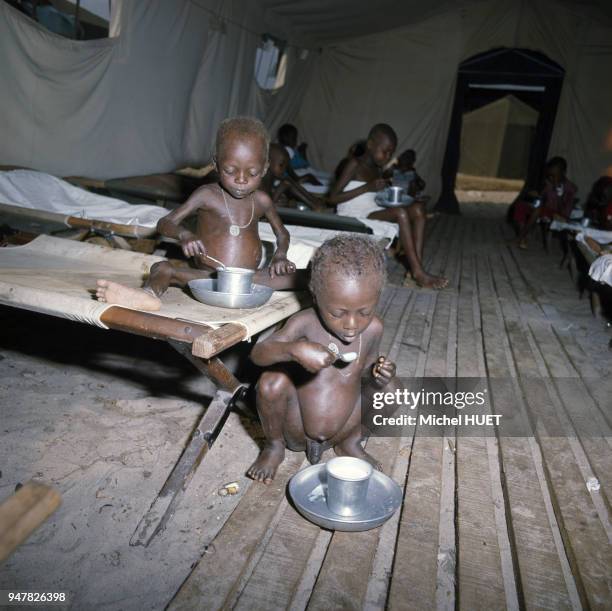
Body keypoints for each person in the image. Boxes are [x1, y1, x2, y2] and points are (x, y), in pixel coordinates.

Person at [96, 117, 300, 311]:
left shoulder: (262, 201)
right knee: (162, 268)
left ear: (264, 169)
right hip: (207, 277)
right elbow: (165, 222)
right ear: (216, 164)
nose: (241, 179)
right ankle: (147, 295)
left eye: (252, 173)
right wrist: (185, 235)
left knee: (308, 277)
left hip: (250, 279)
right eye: (230, 170)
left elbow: (282, 234)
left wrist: (280, 256)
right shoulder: (207, 195)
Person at [247, 235, 400, 484]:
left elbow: (365, 372)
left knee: (393, 389)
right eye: (337, 313)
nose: (352, 325)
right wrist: (293, 350)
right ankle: (273, 447)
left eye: (364, 312)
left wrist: (380, 374)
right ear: (315, 295)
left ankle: (352, 442)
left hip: (343, 428)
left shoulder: (373, 329)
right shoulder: (304, 322)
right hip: (295, 429)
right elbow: (258, 354)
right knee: (271, 382)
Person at [328, 123, 447, 289]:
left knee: (418, 208)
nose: (387, 156)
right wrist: (367, 187)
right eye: (385, 151)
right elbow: (332, 198)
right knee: (400, 214)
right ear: (370, 145)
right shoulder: (354, 164)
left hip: (370, 211)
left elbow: (372, 197)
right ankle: (419, 273)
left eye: (391, 152)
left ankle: (415, 269)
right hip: (352, 213)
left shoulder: (377, 169)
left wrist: (382, 191)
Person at [516, 156, 577, 249]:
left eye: (554, 175)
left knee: (538, 210)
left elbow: (563, 209)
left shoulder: (570, 188)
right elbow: (544, 198)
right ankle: (523, 237)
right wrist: (537, 195)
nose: (551, 178)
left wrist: (557, 192)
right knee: (521, 206)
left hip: (560, 215)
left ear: (563, 173)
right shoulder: (549, 183)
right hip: (546, 210)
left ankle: (520, 237)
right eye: (550, 175)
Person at [260, 143, 326, 211]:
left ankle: (314, 201)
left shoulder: (272, 178)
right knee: (286, 183)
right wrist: (276, 198)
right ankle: (314, 205)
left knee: (287, 181)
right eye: (281, 165)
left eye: (285, 167)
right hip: (265, 209)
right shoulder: (260, 178)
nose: (283, 170)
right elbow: (262, 201)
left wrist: (287, 202)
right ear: (268, 162)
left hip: (270, 204)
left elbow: (270, 192)